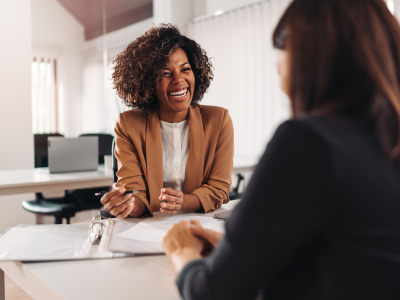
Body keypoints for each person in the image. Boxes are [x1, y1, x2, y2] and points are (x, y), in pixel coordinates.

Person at [162, 0, 400, 299]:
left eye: (280, 64)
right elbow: (349, 256)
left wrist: (183, 254)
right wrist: (239, 251)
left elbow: (213, 293)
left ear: (307, 62)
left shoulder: (309, 143)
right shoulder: (384, 139)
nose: (280, 77)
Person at [100, 24, 234, 218]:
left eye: (185, 69)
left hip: (199, 222)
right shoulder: (128, 124)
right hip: (148, 226)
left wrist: (183, 201)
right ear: (148, 82)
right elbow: (136, 194)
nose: (179, 80)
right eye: (165, 73)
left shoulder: (219, 120)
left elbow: (218, 189)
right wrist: (125, 204)